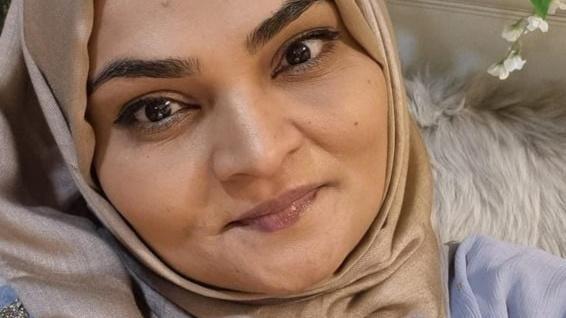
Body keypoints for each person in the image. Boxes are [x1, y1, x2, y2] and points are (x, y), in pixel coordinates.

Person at [0, 0, 564, 317]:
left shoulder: (512, 297)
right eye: (156, 110)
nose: (261, 154)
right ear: (74, 159)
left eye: (300, 52)